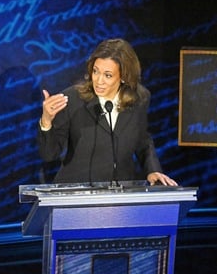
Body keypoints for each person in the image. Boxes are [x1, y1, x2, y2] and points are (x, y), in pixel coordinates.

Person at [38, 38, 177, 186]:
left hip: (120, 195)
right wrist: (46, 121)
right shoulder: (72, 99)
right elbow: (49, 154)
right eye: (95, 71)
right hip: (77, 194)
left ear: (124, 76)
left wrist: (152, 170)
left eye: (108, 75)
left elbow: (142, 139)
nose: (99, 81)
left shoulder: (140, 98)